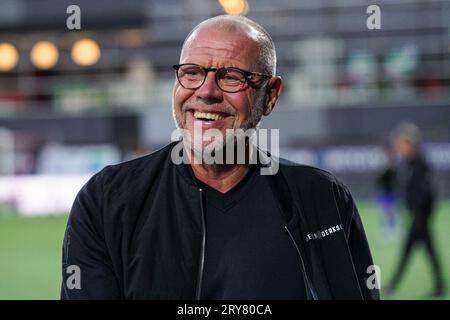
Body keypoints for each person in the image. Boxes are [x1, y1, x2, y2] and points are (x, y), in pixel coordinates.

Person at [61, 15, 379, 300]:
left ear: (270, 95)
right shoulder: (107, 200)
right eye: (192, 72)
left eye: (231, 76)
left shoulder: (323, 199)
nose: (207, 91)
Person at [387, 122, 445, 298]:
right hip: (417, 216)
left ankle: (393, 285)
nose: (398, 147)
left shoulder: (418, 164)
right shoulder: (409, 163)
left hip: (419, 217)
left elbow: (426, 191)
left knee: (413, 251)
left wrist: (421, 215)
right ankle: (439, 286)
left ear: (409, 143)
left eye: (400, 143)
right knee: (422, 251)